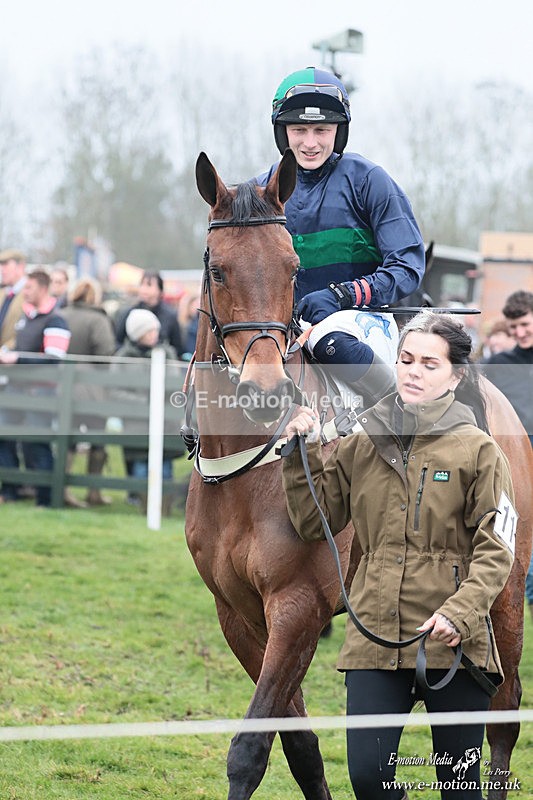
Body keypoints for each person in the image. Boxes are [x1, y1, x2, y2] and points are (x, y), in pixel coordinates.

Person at [282, 310, 515, 800]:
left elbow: (498, 549)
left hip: (452, 639)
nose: (413, 371)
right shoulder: (362, 440)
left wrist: (462, 613)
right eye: (406, 359)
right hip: (374, 635)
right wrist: (298, 456)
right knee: (369, 778)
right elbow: (311, 522)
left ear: (456, 375)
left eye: (429, 364)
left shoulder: (480, 451)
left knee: (458, 786)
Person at [255, 67, 426, 406]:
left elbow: (407, 267)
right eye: (299, 129)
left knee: (326, 337)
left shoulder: (370, 181)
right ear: (282, 132)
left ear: (339, 131)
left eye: (322, 129)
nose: (310, 142)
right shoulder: (258, 192)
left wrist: (342, 295)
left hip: (360, 322)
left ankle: (400, 419)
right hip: (279, 327)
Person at [482, 291, 533, 624]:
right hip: (515, 468)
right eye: (514, 327)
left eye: (525, 324)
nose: (519, 333)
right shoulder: (499, 366)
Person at [0, 269, 71, 507]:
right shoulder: (26, 317)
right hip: (16, 389)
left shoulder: (55, 319)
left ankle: (46, 498)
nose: (24, 292)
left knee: (36, 444)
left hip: (40, 392)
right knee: (4, 437)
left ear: (42, 288)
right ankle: (10, 490)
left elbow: (53, 358)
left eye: (28, 288)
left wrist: (17, 359)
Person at [114, 308, 177, 514]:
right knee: (141, 464)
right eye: (148, 331)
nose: (154, 334)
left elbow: (174, 382)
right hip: (137, 423)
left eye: (155, 330)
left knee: (165, 465)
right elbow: (116, 390)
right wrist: (143, 401)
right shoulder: (123, 357)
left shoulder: (166, 353)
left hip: (166, 423)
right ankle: (144, 506)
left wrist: (161, 399)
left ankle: (164, 507)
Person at [61, 277, 117, 507]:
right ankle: (93, 491)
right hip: (92, 391)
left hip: (64, 388)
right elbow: (105, 354)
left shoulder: (62, 315)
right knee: (97, 439)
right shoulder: (97, 319)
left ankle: (62, 488)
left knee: (68, 439)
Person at [114, 270, 183, 358]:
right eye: (142, 284)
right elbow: (118, 342)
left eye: (149, 285)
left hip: (160, 365)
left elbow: (177, 347)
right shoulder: (129, 313)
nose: (144, 289)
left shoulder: (170, 315)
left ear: (160, 290)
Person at [0, 249, 27, 349]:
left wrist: (6, 349)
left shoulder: (29, 294)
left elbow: (29, 330)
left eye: (5, 264)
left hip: (14, 359)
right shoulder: (3, 293)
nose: (2, 270)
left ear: (20, 266)